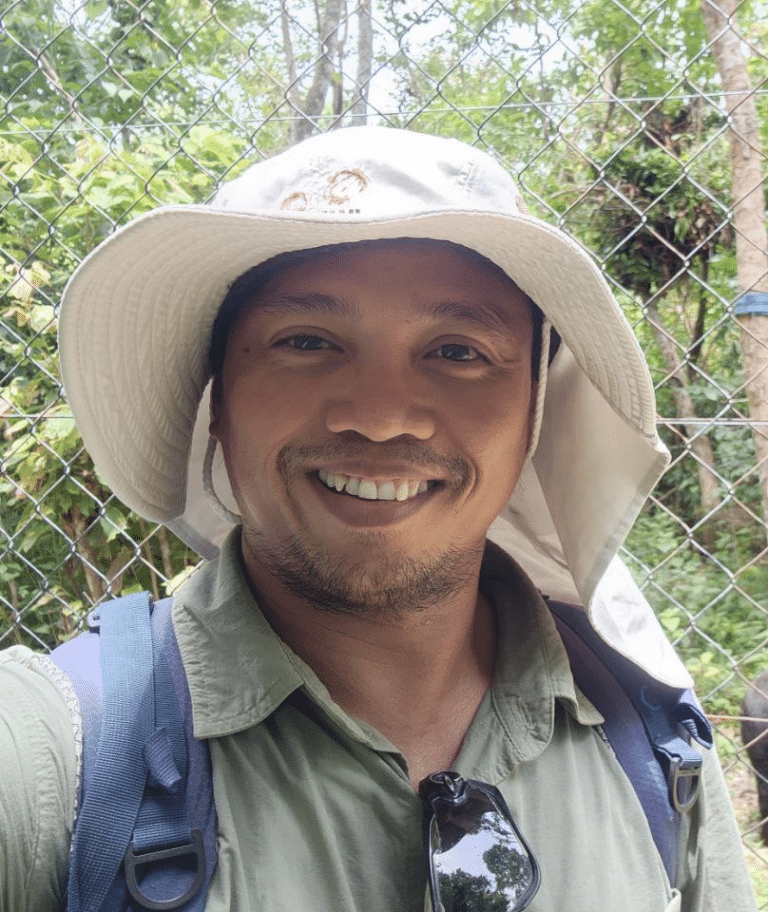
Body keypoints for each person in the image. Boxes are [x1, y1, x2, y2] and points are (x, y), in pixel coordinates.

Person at [0, 127, 757, 912]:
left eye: (458, 351)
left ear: (533, 415)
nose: (382, 416)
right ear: (216, 403)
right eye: (306, 341)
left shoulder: (654, 746)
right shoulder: (64, 760)